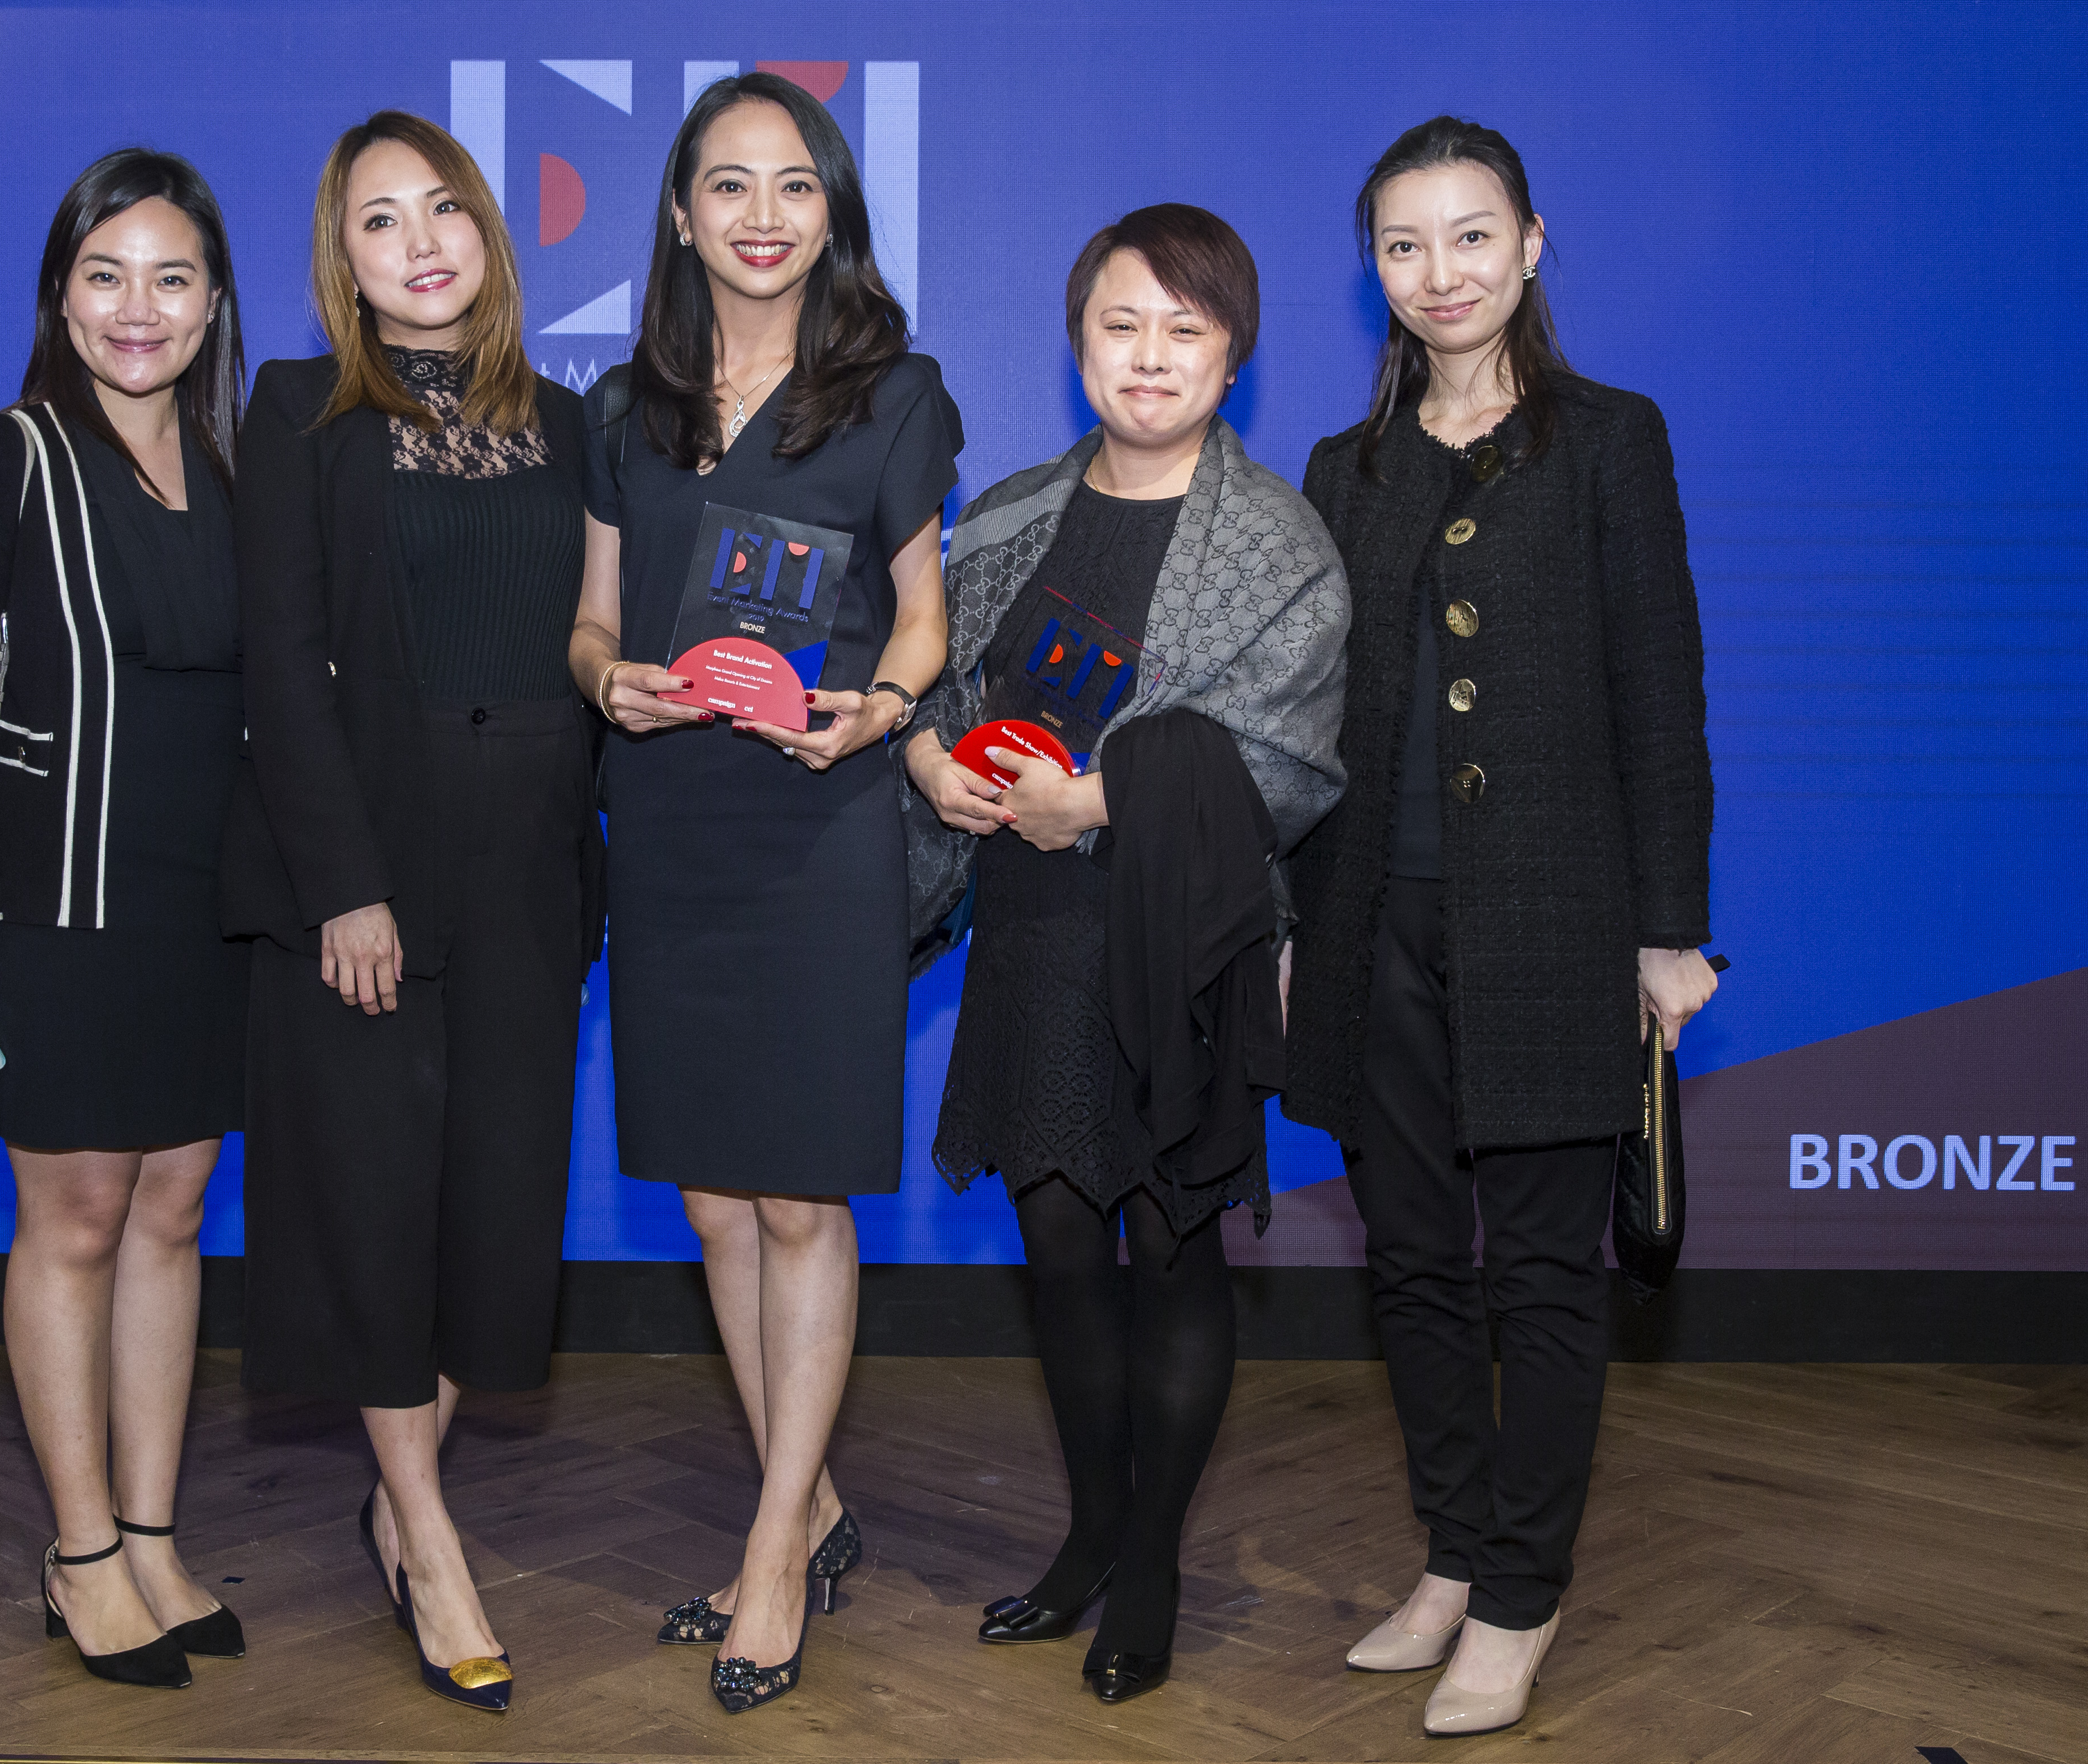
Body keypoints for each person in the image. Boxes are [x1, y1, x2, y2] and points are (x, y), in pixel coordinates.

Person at [1285, 116, 1718, 1737]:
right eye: (1406, 244)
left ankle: (1524, 1591)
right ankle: (1454, 1555)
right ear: (1374, 269)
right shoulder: (1345, 467)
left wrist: (1666, 932)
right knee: (1411, 1263)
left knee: (1540, 1271)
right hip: (1372, 918)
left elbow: (1661, 696)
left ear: (1532, 246)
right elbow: (1308, 719)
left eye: (1473, 236)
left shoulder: (1611, 440)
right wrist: (1293, 922)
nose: (1441, 272)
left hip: (1555, 921)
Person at [903, 206, 1349, 1705]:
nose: (1149, 357)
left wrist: (1099, 801)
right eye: (1121, 325)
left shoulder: (1279, 547)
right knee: (1057, 1254)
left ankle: (1151, 1561)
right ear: (1078, 341)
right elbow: (938, 681)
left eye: (1185, 330)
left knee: (1170, 1249)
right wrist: (935, 761)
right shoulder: (1009, 515)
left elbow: (1293, 761)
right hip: (1034, 937)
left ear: (1233, 357)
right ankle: (1091, 1527)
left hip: (1179, 945)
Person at [569, 71, 962, 1715]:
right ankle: (808, 1501)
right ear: (679, 215)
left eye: (795, 185)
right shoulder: (622, 404)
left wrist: (884, 708)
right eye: (728, 185)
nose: (762, 215)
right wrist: (608, 684)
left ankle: (777, 1548)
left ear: (833, 211)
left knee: (799, 1198)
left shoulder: (894, 394)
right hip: (670, 825)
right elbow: (594, 623)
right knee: (714, 1205)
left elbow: (923, 617)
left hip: (819, 825)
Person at [225, 111, 601, 1717]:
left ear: (488, 233)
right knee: (377, 1204)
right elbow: (279, 665)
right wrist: (346, 884)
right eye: (380, 220)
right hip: (374, 857)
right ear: (343, 260)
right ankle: (430, 1537)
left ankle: (401, 1496)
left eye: (442, 208)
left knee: (496, 1214)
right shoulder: (297, 410)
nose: (420, 242)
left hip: (534, 863)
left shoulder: (571, 423)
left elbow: (602, 638)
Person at [0, 149, 250, 1690]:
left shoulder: (236, 478)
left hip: (203, 910)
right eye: (106, 277)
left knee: (172, 1209)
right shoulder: (1, 458)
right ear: (59, 295)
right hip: (47, 909)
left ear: (214, 303)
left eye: (171, 278)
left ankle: (153, 1538)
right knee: (79, 1215)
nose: (137, 309)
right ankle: (82, 1551)